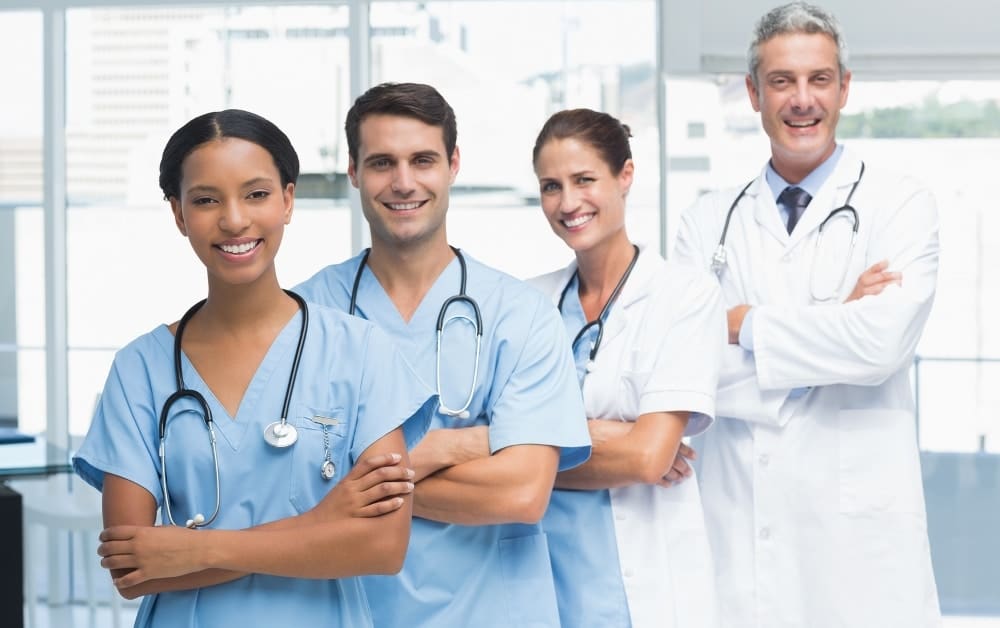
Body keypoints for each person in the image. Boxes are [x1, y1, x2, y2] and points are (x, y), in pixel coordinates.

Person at [73, 109, 436, 627]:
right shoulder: (140, 370)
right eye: (205, 200)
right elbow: (136, 570)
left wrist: (195, 551)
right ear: (178, 214)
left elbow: (381, 545)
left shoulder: (360, 352)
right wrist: (319, 526)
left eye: (257, 194)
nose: (235, 220)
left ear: (288, 200)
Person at [672, 3, 942, 627]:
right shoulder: (706, 222)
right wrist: (834, 323)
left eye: (819, 79)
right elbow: (688, 370)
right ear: (752, 93)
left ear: (844, 88)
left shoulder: (900, 204)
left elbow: (878, 347)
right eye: (782, 81)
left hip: (858, 551)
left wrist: (742, 325)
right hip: (739, 535)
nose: (802, 100)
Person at [294, 82, 591, 627]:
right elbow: (293, 484)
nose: (403, 182)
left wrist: (362, 475)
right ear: (354, 171)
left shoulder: (518, 314)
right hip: (353, 611)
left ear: (453, 165)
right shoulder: (307, 315)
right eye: (382, 162)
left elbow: (524, 491)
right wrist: (471, 444)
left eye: (422, 160)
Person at [528, 108, 724, 628]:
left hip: (640, 589)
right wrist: (612, 437)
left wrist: (530, 452)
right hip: (541, 581)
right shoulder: (528, 305)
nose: (568, 202)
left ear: (626, 176)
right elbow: (493, 455)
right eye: (551, 186)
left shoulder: (682, 296)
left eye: (584, 179)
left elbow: (645, 458)